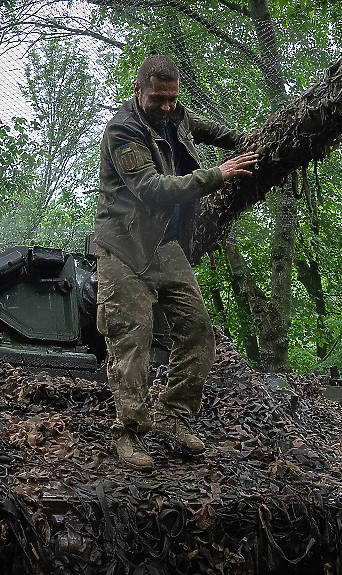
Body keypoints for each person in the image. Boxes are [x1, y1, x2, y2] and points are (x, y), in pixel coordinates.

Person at [94, 55, 259, 470]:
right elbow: (152, 188)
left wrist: (249, 141)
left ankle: (173, 416)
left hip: (165, 246)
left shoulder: (176, 113)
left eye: (172, 99)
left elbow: (211, 129)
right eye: (158, 99)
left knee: (198, 331)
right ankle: (128, 434)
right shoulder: (123, 131)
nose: (166, 107)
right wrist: (218, 175)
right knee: (134, 340)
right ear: (138, 91)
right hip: (125, 248)